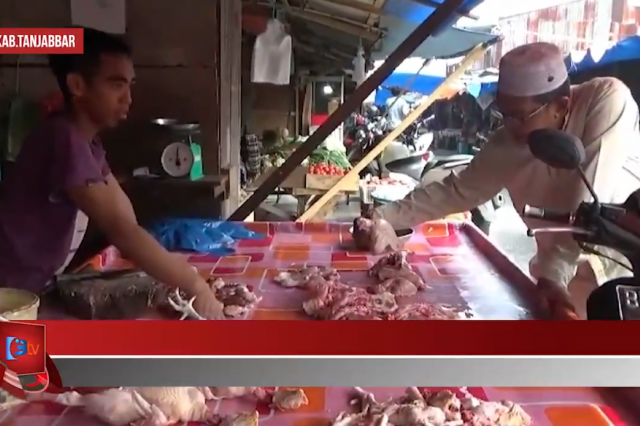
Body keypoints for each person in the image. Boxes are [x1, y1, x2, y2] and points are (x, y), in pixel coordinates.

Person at [359, 42, 640, 318]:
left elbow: (583, 208)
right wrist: (382, 217)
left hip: (621, 267)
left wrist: (553, 275)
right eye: (503, 114)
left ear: (560, 106)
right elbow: (456, 191)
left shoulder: (605, 101)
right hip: (559, 274)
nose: (508, 126)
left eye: (519, 116)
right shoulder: (508, 139)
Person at [0, 28, 225, 319]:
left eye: (130, 85)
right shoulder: (62, 139)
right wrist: (194, 283)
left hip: (35, 287)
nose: (128, 98)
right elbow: (123, 232)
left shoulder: (85, 140)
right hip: (10, 296)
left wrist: (176, 269)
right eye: (116, 85)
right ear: (77, 85)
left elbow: (126, 219)